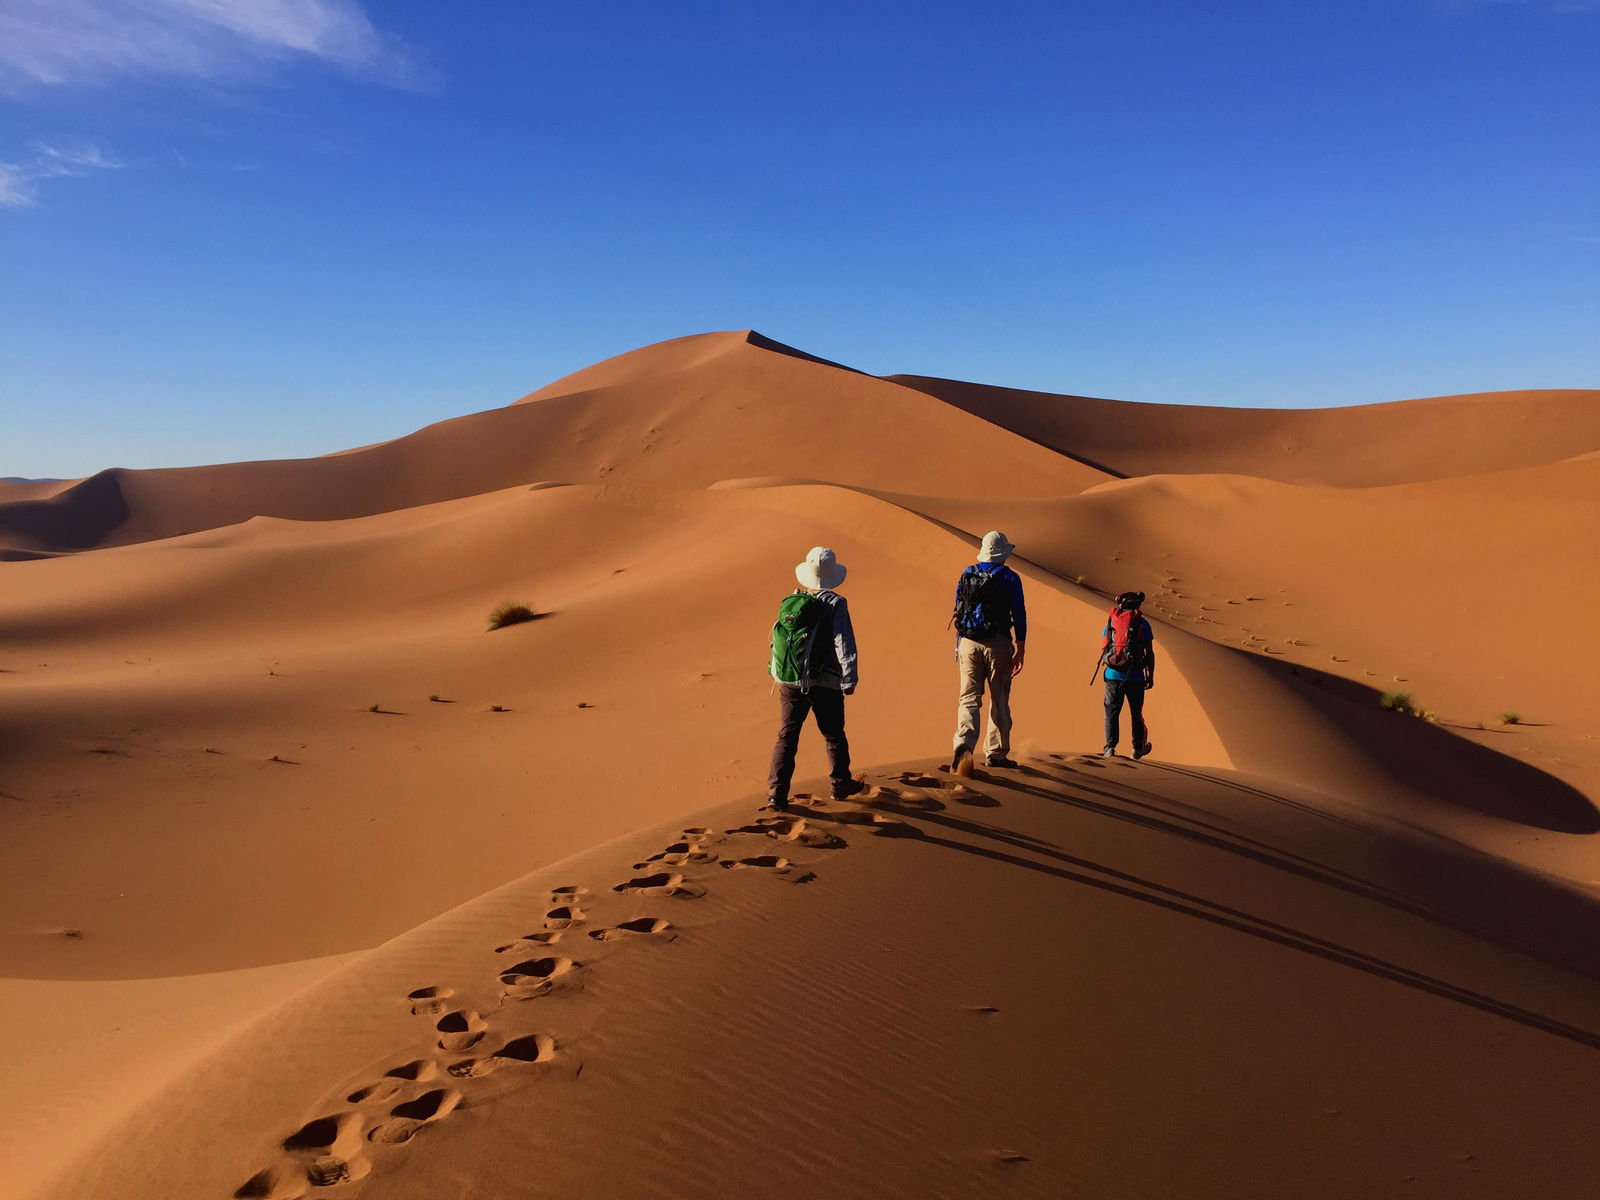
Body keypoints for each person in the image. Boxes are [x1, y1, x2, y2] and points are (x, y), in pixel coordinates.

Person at [766, 546, 864, 811]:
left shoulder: (792, 600)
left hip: (789, 681)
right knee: (833, 735)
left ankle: (777, 794)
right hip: (825, 681)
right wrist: (849, 678)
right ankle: (840, 783)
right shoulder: (835, 603)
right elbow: (843, 641)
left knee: (787, 736)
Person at [949, 531, 1027, 775]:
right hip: (998, 643)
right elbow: (1019, 613)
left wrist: (958, 644)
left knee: (968, 698)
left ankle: (963, 746)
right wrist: (1021, 645)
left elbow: (958, 608)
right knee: (999, 698)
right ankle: (996, 753)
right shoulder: (1010, 578)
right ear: (1003, 554)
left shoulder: (967, 573)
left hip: (968, 643)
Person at [1099, 590, 1154, 759]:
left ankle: (1110, 748)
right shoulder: (1143, 624)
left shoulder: (1111, 623)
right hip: (1136, 676)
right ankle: (1137, 749)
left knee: (1112, 712)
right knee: (1136, 713)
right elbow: (1150, 653)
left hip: (1112, 675)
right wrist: (1150, 676)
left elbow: (1104, 648)